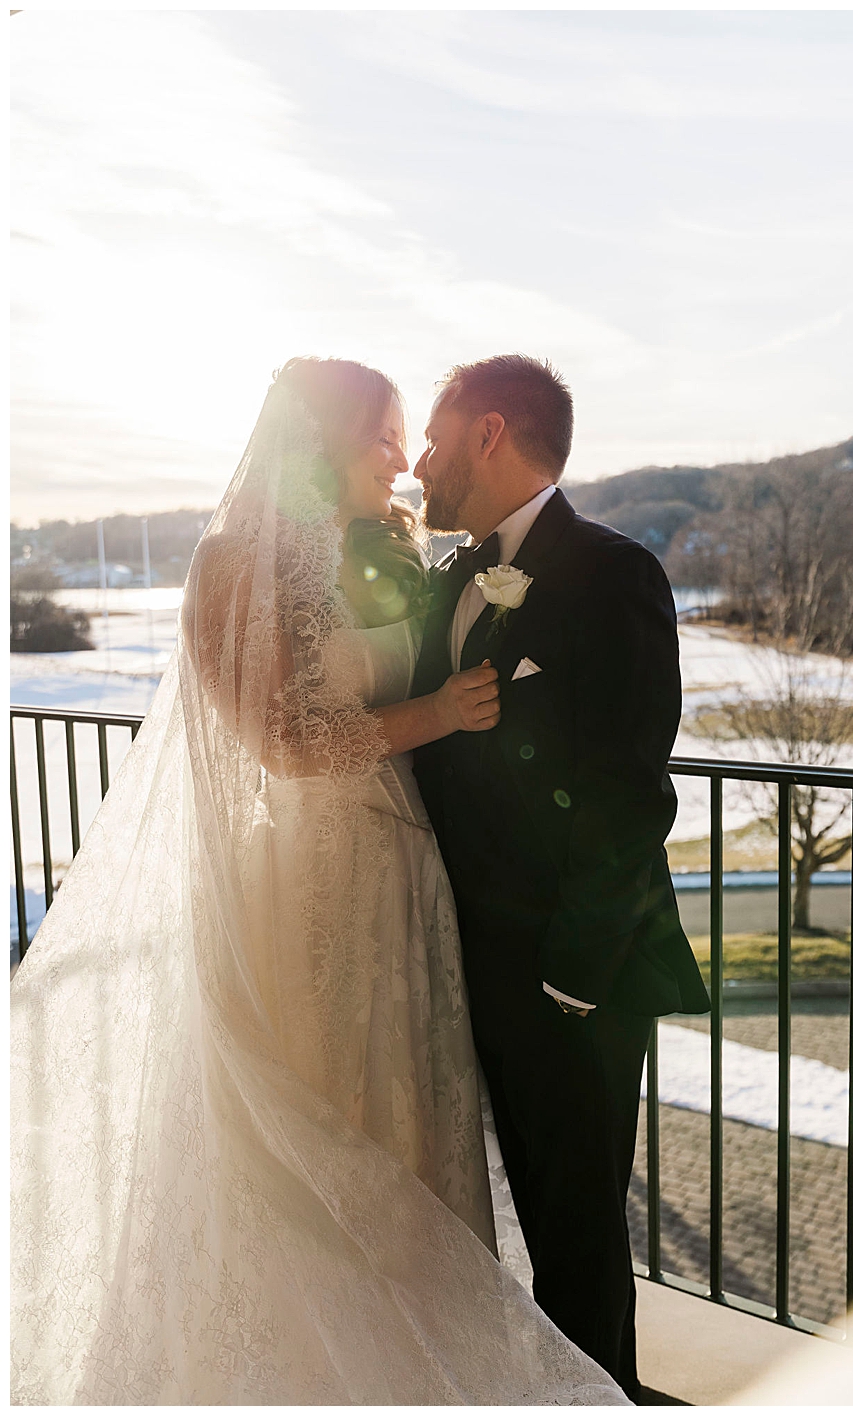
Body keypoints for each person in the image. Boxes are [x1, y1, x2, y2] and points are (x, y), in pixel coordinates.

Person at [10, 357, 624, 1402]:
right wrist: (441, 715)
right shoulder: (230, 564)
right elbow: (282, 739)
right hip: (305, 885)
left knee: (410, 1139)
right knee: (316, 1140)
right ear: (323, 441)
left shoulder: (388, 552)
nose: (402, 457)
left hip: (406, 875)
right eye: (385, 434)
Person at [410, 355, 710, 1401]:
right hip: (460, 963)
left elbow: (630, 791)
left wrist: (573, 979)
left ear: (490, 433)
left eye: (436, 439)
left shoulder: (612, 570)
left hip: (568, 983)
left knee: (576, 1245)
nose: (418, 462)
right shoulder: (449, 575)